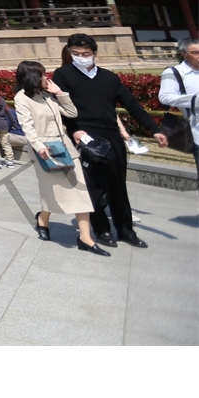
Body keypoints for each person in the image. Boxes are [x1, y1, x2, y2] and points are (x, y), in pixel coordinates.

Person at [51, 32, 166, 247]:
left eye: (85, 53)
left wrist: (154, 129)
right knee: (94, 187)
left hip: (111, 135)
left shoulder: (109, 78)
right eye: (75, 53)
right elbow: (61, 108)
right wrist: (74, 130)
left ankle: (126, 231)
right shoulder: (63, 74)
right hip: (85, 137)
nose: (80, 57)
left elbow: (132, 105)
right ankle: (101, 229)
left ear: (94, 53)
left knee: (118, 186)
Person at [13, 59, 105, 253]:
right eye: (42, 74)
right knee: (52, 192)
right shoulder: (22, 98)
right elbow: (27, 126)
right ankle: (43, 218)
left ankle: (85, 238)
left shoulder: (47, 95)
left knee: (80, 192)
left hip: (65, 147)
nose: (46, 77)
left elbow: (71, 113)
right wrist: (38, 146)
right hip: (44, 150)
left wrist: (60, 94)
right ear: (32, 77)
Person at [157, 37, 199, 183]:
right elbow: (165, 97)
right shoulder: (174, 72)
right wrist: (194, 100)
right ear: (183, 53)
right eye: (195, 52)